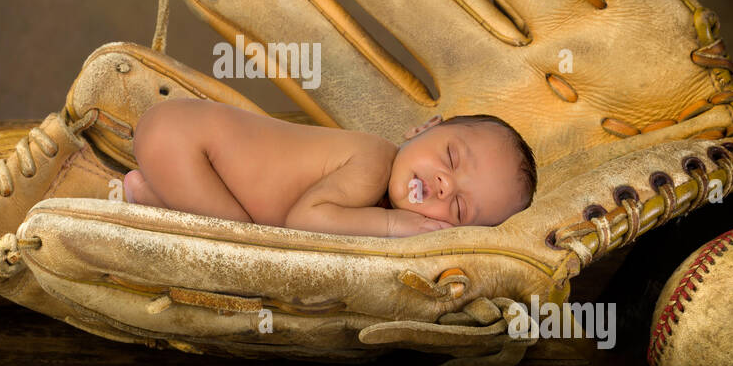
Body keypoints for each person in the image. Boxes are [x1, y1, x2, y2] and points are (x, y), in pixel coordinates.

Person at [122, 99, 536, 237]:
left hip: (186, 152)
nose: (445, 185)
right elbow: (305, 218)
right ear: (424, 127)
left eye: (460, 210)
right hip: (185, 141)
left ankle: (148, 193)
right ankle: (150, 191)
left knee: (237, 233)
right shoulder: (374, 161)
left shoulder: (374, 200)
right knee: (247, 247)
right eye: (450, 158)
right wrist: (394, 228)